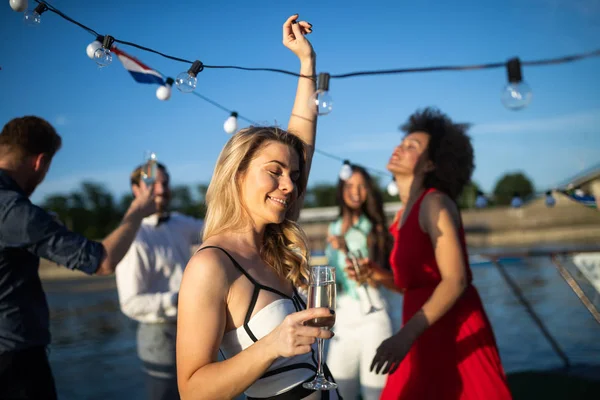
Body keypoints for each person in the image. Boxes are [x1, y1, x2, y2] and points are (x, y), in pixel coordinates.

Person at [176, 15, 341, 400]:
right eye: (275, 172)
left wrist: (306, 63)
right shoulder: (210, 266)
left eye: (295, 175)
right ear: (238, 175)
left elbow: (301, 137)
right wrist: (272, 344)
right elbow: (192, 390)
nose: (290, 185)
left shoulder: (273, 240)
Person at [351, 108, 512, 399]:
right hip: (420, 330)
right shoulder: (401, 217)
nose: (400, 147)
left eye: (412, 146)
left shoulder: (434, 203)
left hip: (452, 330)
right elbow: (416, 287)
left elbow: (455, 280)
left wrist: (404, 336)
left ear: (430, 164)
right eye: (403, 141)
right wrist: (379, 275)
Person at [0, 116, 156, 399]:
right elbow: (102, 260)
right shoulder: (15, 211)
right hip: (14, 361)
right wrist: (138, 210)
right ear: (40, 162)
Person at [115, 162, 204, 400]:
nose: (161, 189)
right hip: (159, 337)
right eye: (152, 184)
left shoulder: (180, 222)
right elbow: (130, 303)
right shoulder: (132, 237)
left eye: (164, 183)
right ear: (136, 190)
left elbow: (218, 230)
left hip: (195, 328)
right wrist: (179, 298)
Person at [324, 164, 403, 400]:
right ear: (342, 189)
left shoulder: (376, 229)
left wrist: (348, 250)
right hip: (343, 315)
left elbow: (394, 281)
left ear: (369, 191)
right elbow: (336, 276)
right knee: (338, 391)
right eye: (350, 185)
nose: (356, 191)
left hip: (374, 314)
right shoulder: (334, 227)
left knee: (375, 393)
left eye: (362, 186)